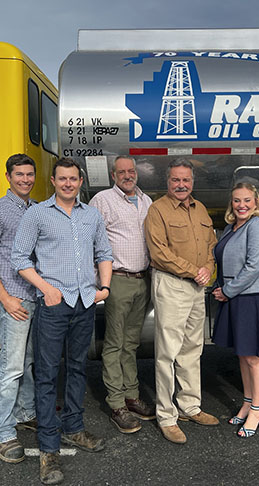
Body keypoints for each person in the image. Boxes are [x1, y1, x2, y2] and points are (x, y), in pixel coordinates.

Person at [12, 157, 113, 485]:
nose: (68, 183)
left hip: (85, 303)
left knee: (78, 369)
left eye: (73, 178)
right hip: (54, 307)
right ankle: (48, 449)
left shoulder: (91, 215)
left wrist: (105, 288)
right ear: (53, 181)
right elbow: (19, 259)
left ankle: (73, 429)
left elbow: (104, 254)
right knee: (46, 375)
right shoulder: (37, 214)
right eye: (62, 179)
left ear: (80, 181)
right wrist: (46, 289)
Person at [144, 158, 219, 445]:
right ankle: (167, 415)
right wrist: (194, 271)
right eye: (176, 180)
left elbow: (211, 245)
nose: (181, 184)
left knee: (192, 348)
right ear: (167, 181)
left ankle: (189, 405)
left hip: (196, 287)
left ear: (192, 181)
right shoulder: (157, 210)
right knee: (167, 353)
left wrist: (208, 269)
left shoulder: (200, 209)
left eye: (186, 180)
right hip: (172, 285)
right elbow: (159, 252)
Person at [0, 153, 39, 464]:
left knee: (27, 362)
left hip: (36, 297)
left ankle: (26, 413)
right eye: (19, 175)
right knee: (11, 367)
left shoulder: (38, 209)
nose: (25, 179)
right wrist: (5, 298)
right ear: (8, 177)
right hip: (14, 297)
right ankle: (2, 433)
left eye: (29, 174)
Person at [211, 182, 259, 438]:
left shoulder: (257, 225)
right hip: (234, 298)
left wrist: (228, 291)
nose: (241, 205)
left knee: (254, 358)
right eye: (236, 200)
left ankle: (256, 411)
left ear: (255, 202)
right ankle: (246, 402)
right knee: (243, 355)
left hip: (251, 297)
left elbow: (254, 266)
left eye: (246, 200)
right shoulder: (231, 228)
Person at [89, 156, 155, 434]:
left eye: (131, 171)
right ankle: (116, 404)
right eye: (121, 172)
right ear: (113, 175)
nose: (127, 176)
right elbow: (90, 239)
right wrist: (97, 282)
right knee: (114, 344)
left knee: (131, 344)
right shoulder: (102, 201)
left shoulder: (147, 201)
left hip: (143, 280)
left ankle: (131, 396)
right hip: (117, 279)